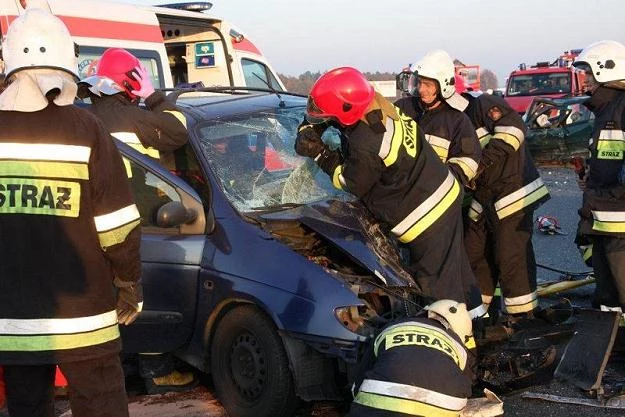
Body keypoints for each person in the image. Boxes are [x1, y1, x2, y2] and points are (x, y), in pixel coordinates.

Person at [0, 6, 142, 417]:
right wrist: (130, 282)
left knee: (27, 406)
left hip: (13, 320)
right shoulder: (86, 129)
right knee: (101, 405)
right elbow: (117, 225)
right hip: (85, 318)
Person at [294, 66, 472, 314]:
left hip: (427, 214)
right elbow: (346, 121)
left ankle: (456, 345)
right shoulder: (379, 107)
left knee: (438, 291)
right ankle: (477, 320)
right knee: (456, 273)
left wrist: (320, 153)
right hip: (444, 192)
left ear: (345, 111)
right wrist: (320, 124)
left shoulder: (367, 143)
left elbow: (350, 182)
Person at [79, 47, 195, 394]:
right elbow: (179, 131)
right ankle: (156, 370)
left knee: (105, 296)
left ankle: (117, 364)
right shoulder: (134, 118)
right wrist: (155, 96)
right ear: (130, 82)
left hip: (90, 223)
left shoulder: (85, 116)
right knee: (141, 294)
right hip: (133, 218)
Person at [450, 70, 550, 318]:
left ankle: (523, 317)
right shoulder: (452, 121)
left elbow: (513, 132)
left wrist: (479, 164)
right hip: (484, 197)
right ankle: (481, 314)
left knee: (510, 257)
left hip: (512, 192)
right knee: (475, 254)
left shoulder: (484, 104)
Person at [394, 49, 486, 320]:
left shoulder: (457, 121)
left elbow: (469, 162)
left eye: (427, 85)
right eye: (419, 82)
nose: (420, 89)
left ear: (443, 86)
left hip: (438, 208)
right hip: (405, 204)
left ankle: (448, 321)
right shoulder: (404, 109)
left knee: (439, 270)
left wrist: (440, 184)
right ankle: (469, 317)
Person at [346, 300, 473, 416]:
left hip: (379, 408)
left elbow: (358, 379)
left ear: (427, 312)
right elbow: (467, 382)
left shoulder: (391, 328)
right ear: (459, 331)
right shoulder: (458, 346)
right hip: (444, 409)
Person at [572, 40, 625, 314]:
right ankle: (613, 342)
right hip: (604, 215)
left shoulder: (621, 107)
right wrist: (592, 175)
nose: (585, 82)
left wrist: (616, 188)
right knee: (607, 294)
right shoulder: (605, 110)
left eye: (590, 74)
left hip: (620, 221)